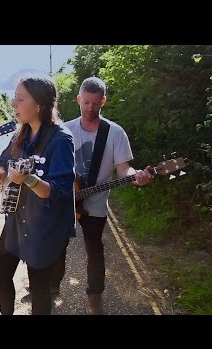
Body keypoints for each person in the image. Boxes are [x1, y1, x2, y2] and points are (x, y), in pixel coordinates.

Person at [55, 76, 152, 315]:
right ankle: (51, 287)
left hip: (96, 205)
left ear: (103, 101)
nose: (90, 108)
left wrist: (135, 176)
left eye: (95, 103)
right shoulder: (65, 130)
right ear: (79, 99)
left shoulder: (115, 133)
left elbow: (124, 168)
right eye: (86, 102)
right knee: (57, 247)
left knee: (95, 251)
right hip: (65, 201)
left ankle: (94, 296)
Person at [0, 77, 76, 315]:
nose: (13, 103)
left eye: (20, 99)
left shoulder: (61, 139)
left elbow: (59, 190)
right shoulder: (21, 133)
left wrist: (28, 179)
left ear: (39, 105)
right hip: (17, 219)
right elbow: (2, 160)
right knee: (0, 274)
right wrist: (0, 173)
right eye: (14, 97)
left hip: (45, 226)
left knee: (39, 288)